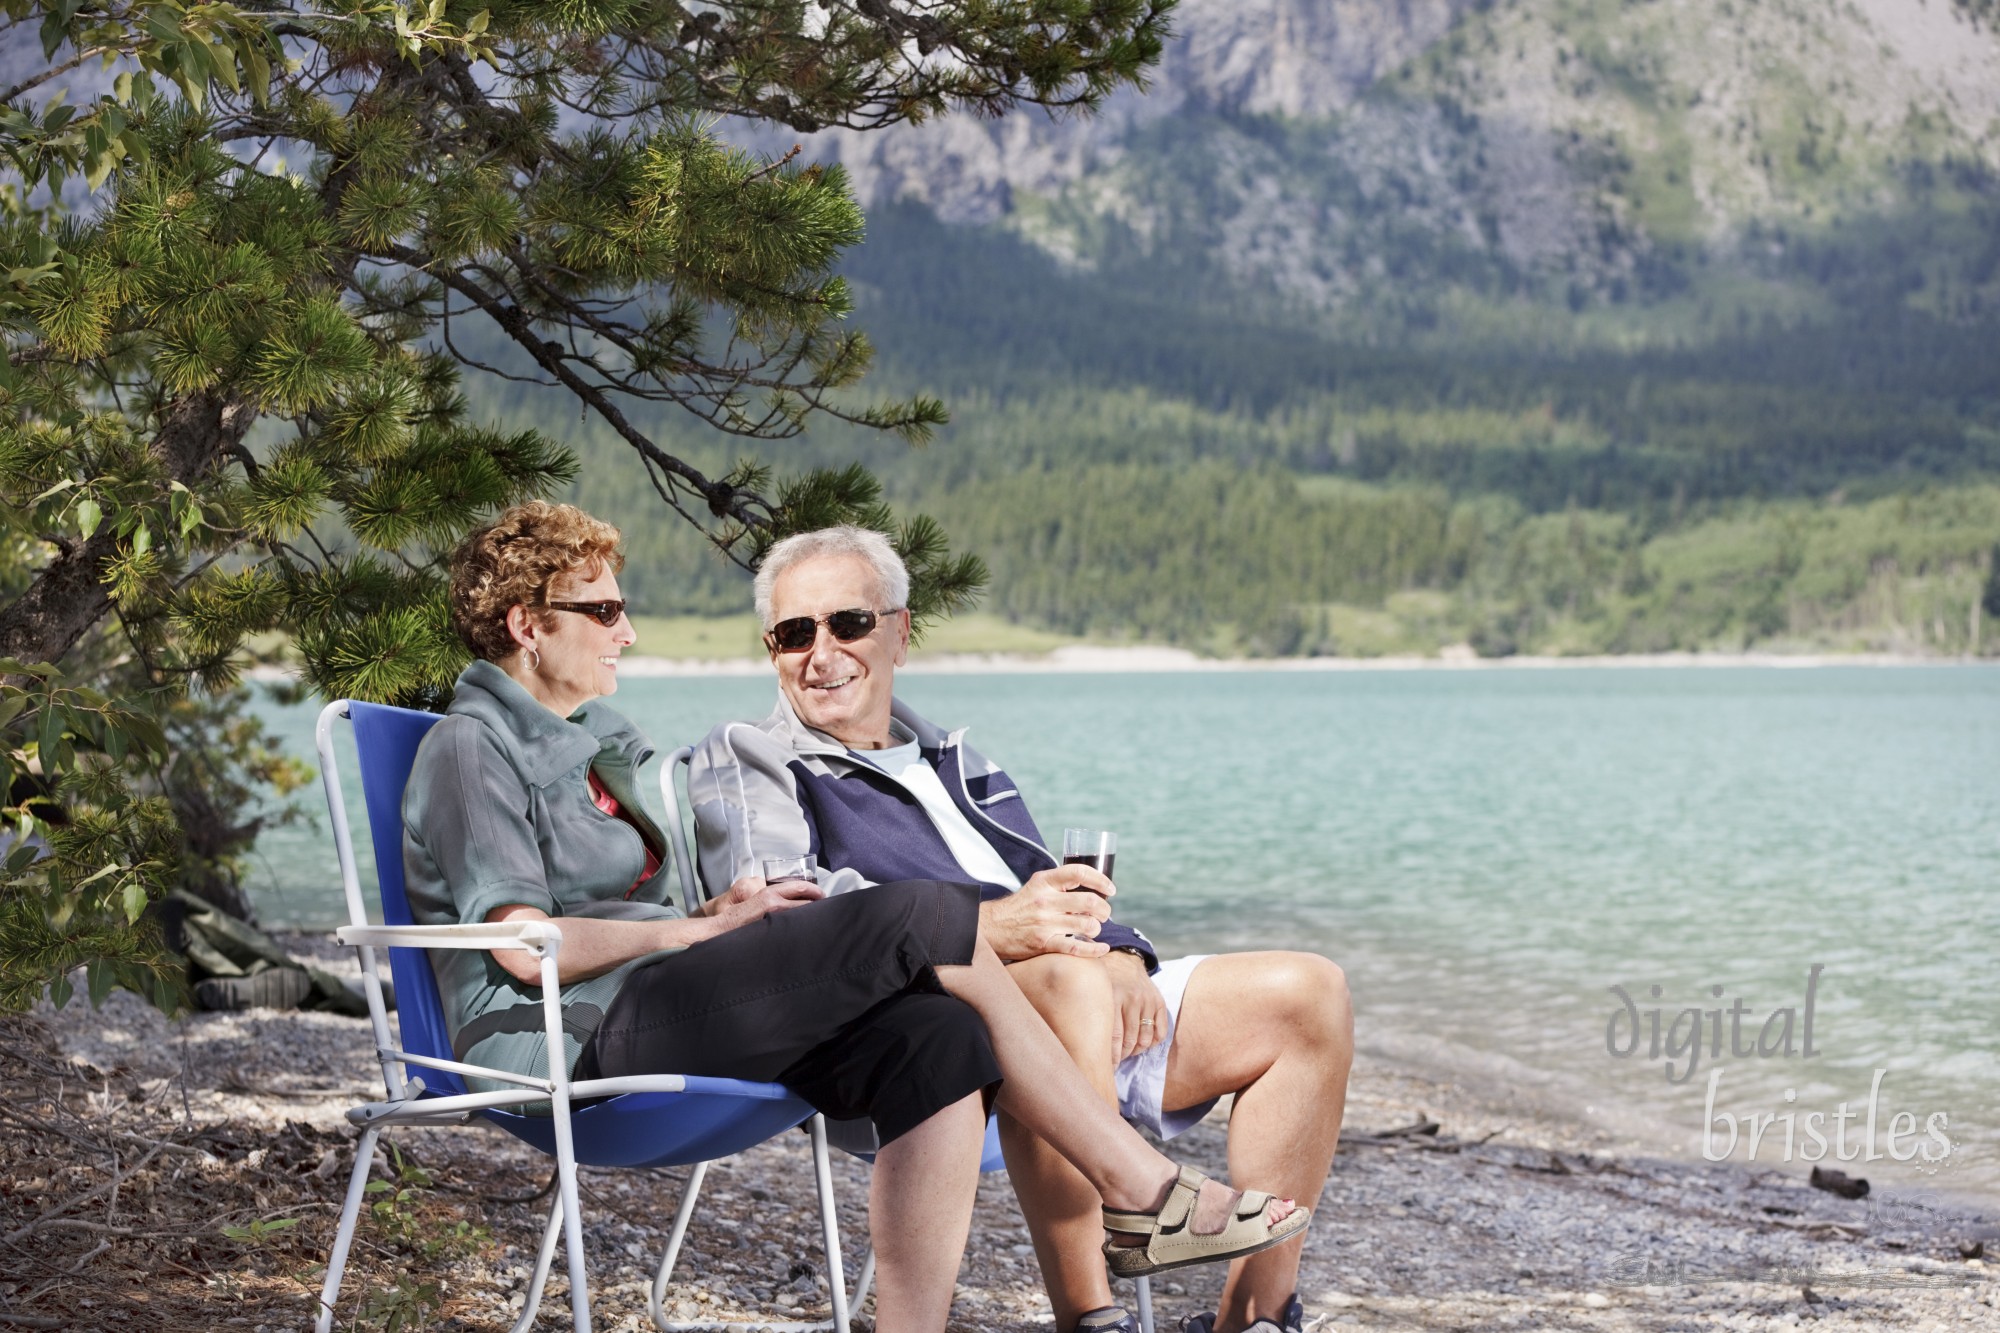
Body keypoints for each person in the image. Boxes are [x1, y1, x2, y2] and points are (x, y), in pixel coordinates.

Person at [401, 502, 1311, 1333]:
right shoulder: (469, 747)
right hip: (568, 1037)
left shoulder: (598, 747)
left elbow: (655, 894)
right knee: (919, 913)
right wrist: (689, 931)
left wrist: (718, 911)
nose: (628, 631)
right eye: (603, 612)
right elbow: (522, 946)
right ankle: (1139, 1187)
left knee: (939, 1036)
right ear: (529, 625)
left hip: (658, 1001)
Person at [690, 526, 1355, 1333]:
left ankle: (1256, 1313)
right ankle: (1091, 1314)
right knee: (1064, 981)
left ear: (899, 630)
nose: (820, 652)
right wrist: (1009, 930)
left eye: (847, 624)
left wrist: (1119, 952)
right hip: (933, 1031)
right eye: (795, 633)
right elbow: (792, 905)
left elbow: (1057, 888)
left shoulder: (958, 761)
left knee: (1308, 991)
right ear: (773, 648)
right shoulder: (755, 755)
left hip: (1068, 985)